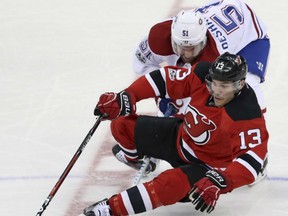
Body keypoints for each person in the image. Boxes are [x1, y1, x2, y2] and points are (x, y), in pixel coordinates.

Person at [83, 53, 269, 216]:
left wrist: (221, 181)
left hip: (205, 168)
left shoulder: (247, 113)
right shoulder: (202, 74)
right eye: (214, 83)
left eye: (225, 86)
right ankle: (136, 159)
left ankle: (109, 209)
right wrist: (128, 95)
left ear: (240, 84)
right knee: (121, 124)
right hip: (180, 137)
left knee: (167, 185)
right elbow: (164, 80)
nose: (217, 91)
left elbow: (253, 161)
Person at [133, 0, 270, 113]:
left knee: (247, 90)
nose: (187, 54)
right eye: (181, 47)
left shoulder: (212, 55)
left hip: (250, 41)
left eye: (192, 48)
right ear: (173, 38)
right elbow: (142, 62)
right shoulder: (161, 35)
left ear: (203, 41)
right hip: (225, 10)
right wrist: (161, 94)